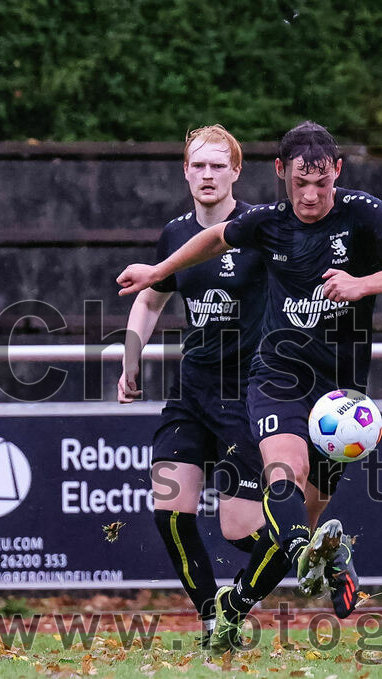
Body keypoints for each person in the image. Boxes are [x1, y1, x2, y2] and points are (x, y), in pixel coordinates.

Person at [117, 121, 382, 653]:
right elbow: (208, 243)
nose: (310, 195)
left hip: (336, 393)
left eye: (321, 183)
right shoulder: (264, 223)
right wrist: (158, 274)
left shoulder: (358, 213)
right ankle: (246, 592)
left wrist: (362, 284)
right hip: (269, 378)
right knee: (264, 481)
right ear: (280, 173)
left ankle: (245, 600)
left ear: (337, 171)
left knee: (273, 522)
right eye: (300, 183)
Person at [118, 124, 267, 647]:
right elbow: (150, 298)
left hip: (247, 394)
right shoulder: (175, 233)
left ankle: (313, 553)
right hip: (191, 391)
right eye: (198, 165)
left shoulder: (258, 228)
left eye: (217, 165)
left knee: (240, 530)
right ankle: (213, 619)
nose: (207, 175)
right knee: (169, 511)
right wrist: (130, 360)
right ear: (185, 171)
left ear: (235, 171)